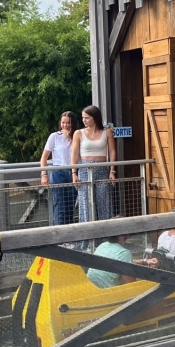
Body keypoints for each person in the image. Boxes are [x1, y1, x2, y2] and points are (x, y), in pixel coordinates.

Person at [71, 105, 116, 250]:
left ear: (94, 117)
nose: (84, 120)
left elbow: (112, 151)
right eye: (83, 117)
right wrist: (74, 173)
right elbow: (74, 154)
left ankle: (107, 240)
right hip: (85, 168)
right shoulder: (78, 133)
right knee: (85, 204)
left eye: (87, 117)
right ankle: (86, 241)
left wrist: (112, 170)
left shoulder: (107, 132)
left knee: (104, 203)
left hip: (102, 168)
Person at [40, 112, 78, 227]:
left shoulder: (77, 135)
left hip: (74, 172)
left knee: (70, 205)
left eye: (68, 123)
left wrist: (70, 137)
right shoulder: (54, 136)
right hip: (58, 172)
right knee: (60, 205)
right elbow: (44, 158)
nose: (65, 125)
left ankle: (69, 236)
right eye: (63, 122)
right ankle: (59, 236)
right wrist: (44, 174)